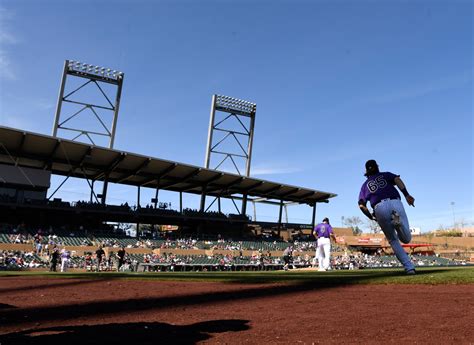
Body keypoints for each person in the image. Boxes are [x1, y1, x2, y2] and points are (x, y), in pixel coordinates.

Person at [358, 159, 416, 275]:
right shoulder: (385, 175)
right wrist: (407, 195)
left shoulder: (365, 186)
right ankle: (398, 225)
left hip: (379, 207)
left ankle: (409, 268)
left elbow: (361, 205)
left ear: (366, 171)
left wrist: (370, 216)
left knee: (393, 240)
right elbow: (397, 179)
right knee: (406, 239)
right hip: (395, 202)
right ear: (377, 166)